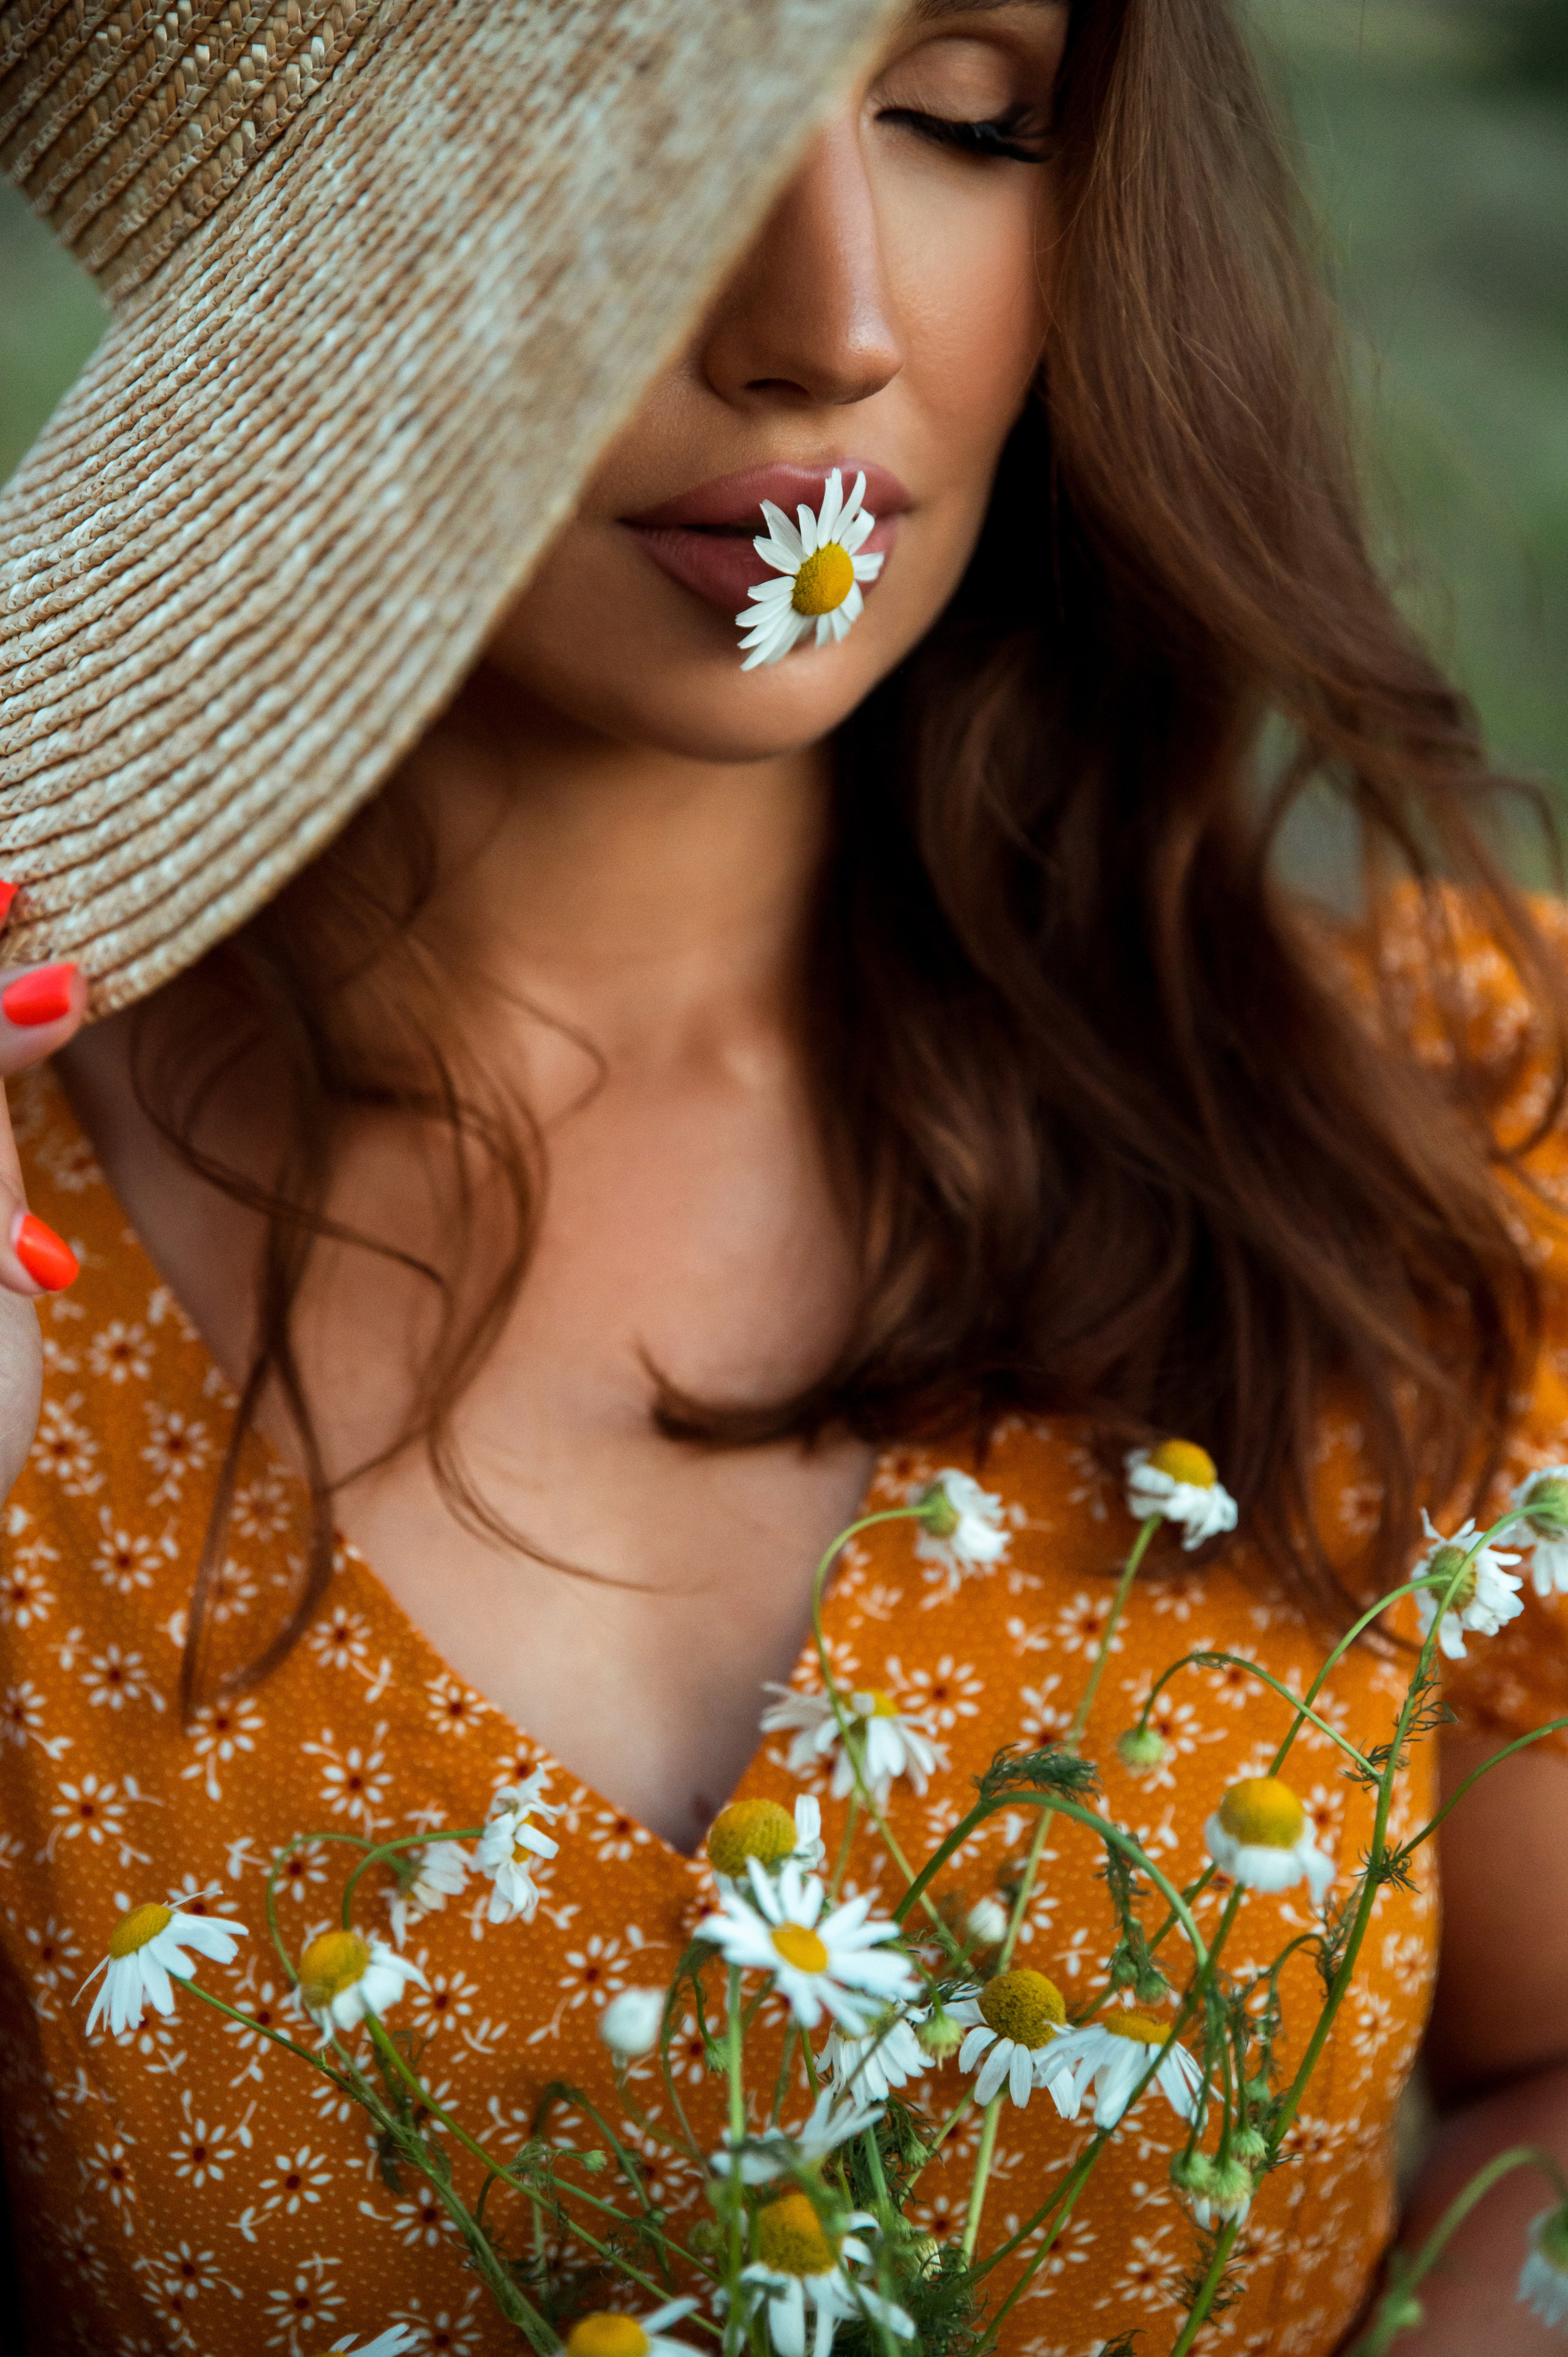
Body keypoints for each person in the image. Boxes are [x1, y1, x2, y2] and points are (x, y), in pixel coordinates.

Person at [1, 0, 1566, 2350]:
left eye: (965, 121)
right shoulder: (36, 1278)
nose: (832, 329)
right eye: (650, 151)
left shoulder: (1425, 1112)